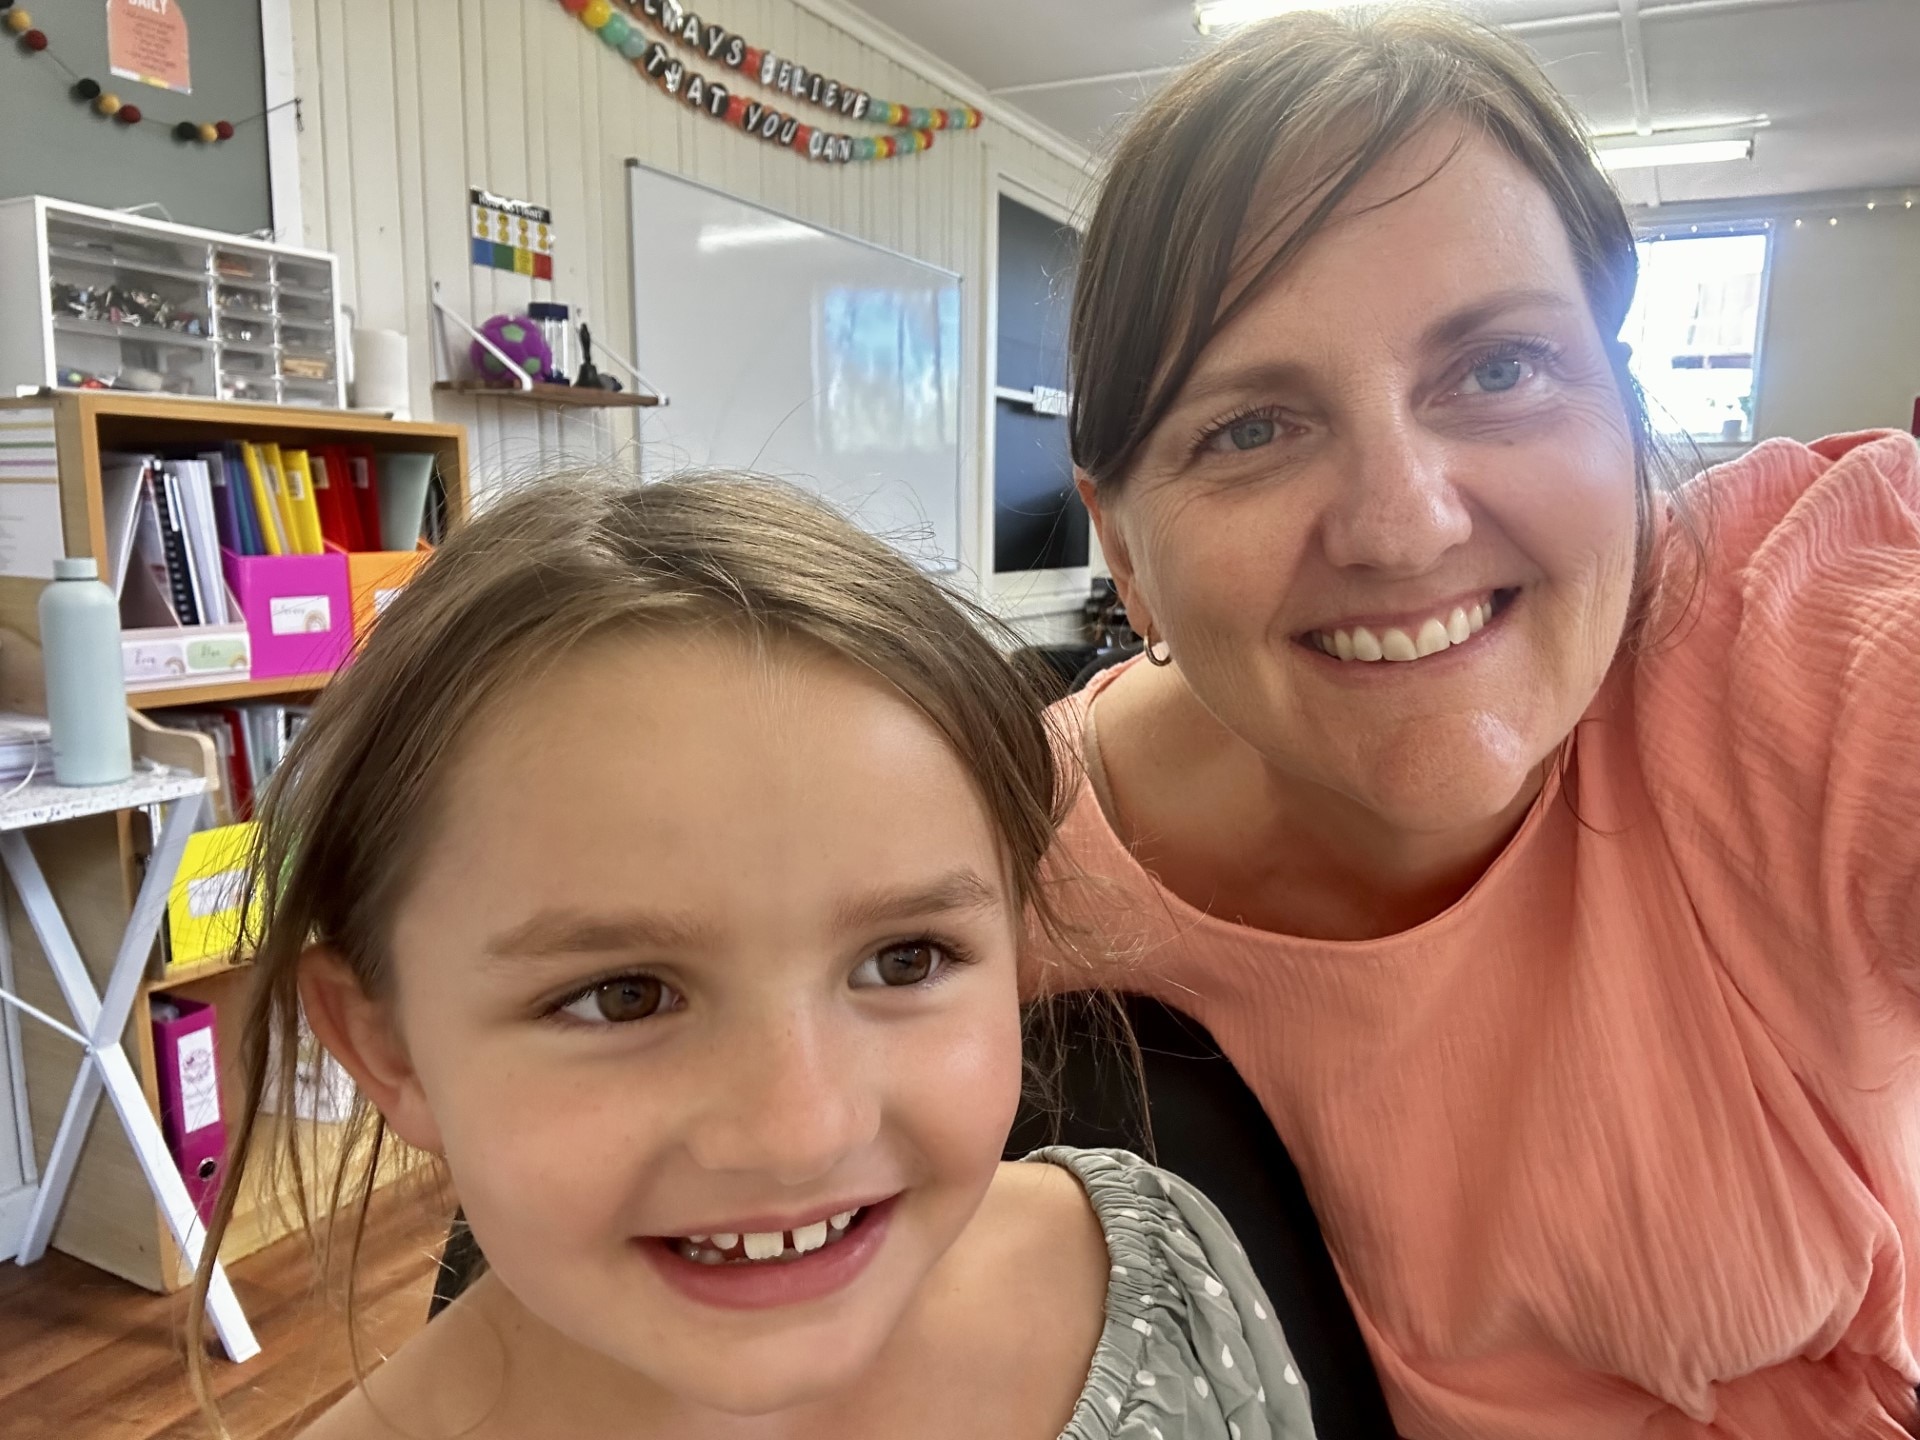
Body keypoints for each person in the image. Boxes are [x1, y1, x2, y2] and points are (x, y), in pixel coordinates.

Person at [1040, 9, 1920, 1440]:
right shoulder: (978, 875)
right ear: (1124, 551)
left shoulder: (1786, 640)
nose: (1402, 526)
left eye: (1498, 368)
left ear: (1623, 401)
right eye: (1251, 427)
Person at [184, 474, 1319, 1440]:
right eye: (622, 997)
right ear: (386, 1050)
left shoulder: (1155, 1271)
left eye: (906, 960)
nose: (801, 1131)